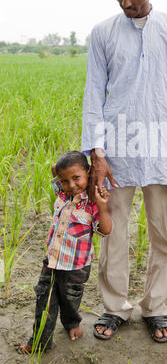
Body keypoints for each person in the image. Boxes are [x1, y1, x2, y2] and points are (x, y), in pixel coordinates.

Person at [82, 0, 167, 342]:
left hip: (165, 152)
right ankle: (115, 307)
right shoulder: (102, 33)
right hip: (116, 152)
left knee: (164, 234)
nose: (127, 2)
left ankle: (156, 306)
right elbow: (93, 97)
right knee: (113, 231)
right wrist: (97, 155)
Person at [19, 151, 112, 353]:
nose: (71, 185)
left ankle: (72, 324)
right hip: (52, 261)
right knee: (44, 301)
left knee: (70, 300)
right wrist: (63, 171)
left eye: (76, 178)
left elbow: (105, 230)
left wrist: (103, 207)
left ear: (88, 172)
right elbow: (55, 170)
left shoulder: (92, 202)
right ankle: (40, 342)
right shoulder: (61, 193)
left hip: (76, 267)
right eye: (65, 181)